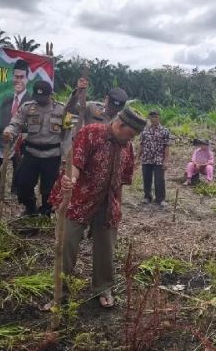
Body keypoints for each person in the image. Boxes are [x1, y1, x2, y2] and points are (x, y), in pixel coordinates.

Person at [47, 108, 145, 309]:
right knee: (66, 245)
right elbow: (75, 161)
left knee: (106, 249)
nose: (131, 140)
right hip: (79, 199)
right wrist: (70, 180)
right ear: (119, 125)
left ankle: (102, 288)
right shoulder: (91, 132)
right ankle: (60, 293)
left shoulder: (128, 146)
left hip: (108, 203)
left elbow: (122, 181)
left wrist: (118, 207)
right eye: (131, 134)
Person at [3, 81, 67, 216]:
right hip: (31, 154)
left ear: (51, 95)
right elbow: (16, 123)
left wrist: (66, 157)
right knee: (23, 185)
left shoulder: (62, 109)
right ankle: (30, 209)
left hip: (52, 156)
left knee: (49, 190)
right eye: (38, 98)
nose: (40, 101)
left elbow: (68, 135)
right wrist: (9, 131)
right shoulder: (28, 107)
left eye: (43, 98)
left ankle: (45, 212)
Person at [0, 59, 31, 194]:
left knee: (19, 168)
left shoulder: (31, 101)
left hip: (20, 143)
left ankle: (15, 191)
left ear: (27, 79)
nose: (18, 80)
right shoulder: (6, 100)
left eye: (22, 77)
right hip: (2, 142)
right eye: (16, 77)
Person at [138, 110, 170, 205]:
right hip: (146, 158)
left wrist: (166, 161)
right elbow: (141, 145)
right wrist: (137, 158)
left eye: (156, 117)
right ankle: (147, 197)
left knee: (159, 179)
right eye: (152, 117)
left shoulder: (165, 131)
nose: (154, 119)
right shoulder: (145, 130)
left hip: (158, 159)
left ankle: (160, 199)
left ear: (159, 117)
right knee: (146, 178)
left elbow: (167, 147)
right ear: (149, 118)